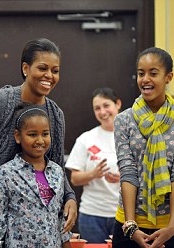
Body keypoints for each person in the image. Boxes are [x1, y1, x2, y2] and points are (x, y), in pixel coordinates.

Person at [0, 38, 77, 244]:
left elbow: (55, 167)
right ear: (25, 68)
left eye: (55, 71)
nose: (49, 76)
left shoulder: (55, 114)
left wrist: (69, 196)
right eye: (43, 68)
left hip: (29, 221)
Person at [112, 47, 174, 248]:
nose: (145, 79)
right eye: (140, 73)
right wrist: (131, 226)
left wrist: (172, 227)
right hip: (130, 223)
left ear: (168, 77)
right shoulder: (123, 120)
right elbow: (127, 172)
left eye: (153, 73)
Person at [0, 104, 72, 247]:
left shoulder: (57, 171)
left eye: (45, 134)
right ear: (18, 136)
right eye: (32, 134)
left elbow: (61, 220)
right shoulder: (5, 174)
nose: (40, 140)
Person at [65, 87, 121, 243]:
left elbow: (145, 176)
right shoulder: (86, 139)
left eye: (106, 105)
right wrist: (93, 174)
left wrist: (125, 177)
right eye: (97, 108)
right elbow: (75, 179)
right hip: (91, 214)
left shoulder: (131, 137)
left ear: (118, 104)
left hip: (124, 214)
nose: (103, 112)